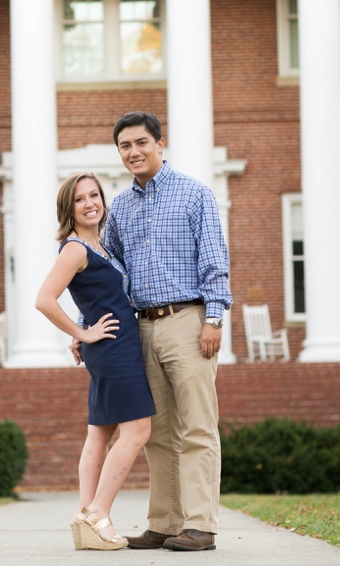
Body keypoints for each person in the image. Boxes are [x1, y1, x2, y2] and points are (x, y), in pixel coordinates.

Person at [100, 110, 231, 551]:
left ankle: (201, 525)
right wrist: (88, 324)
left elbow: (215, 263)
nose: (133, 152)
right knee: (157, 431)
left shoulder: (194, 195)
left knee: (197, 427)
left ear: (160, 144)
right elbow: (110, 271)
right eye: (125, 146)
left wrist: (213, 319)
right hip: (142, 327)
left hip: (188, 322)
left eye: (141, 143)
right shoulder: (119, 207)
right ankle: (165, 522)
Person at [35, 172, 156, 551]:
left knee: (100, 433)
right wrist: (83, 332)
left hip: (111, 346)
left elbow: (98, 298)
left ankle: (86, 515)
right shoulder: (75, 249)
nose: (90, 203)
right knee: (137, 431)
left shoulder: (99, 245)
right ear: (68, 209)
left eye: (95, 195)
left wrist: (83, 327)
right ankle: (97, 513)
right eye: (79, 199)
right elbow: (44, 299)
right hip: (113, 349)